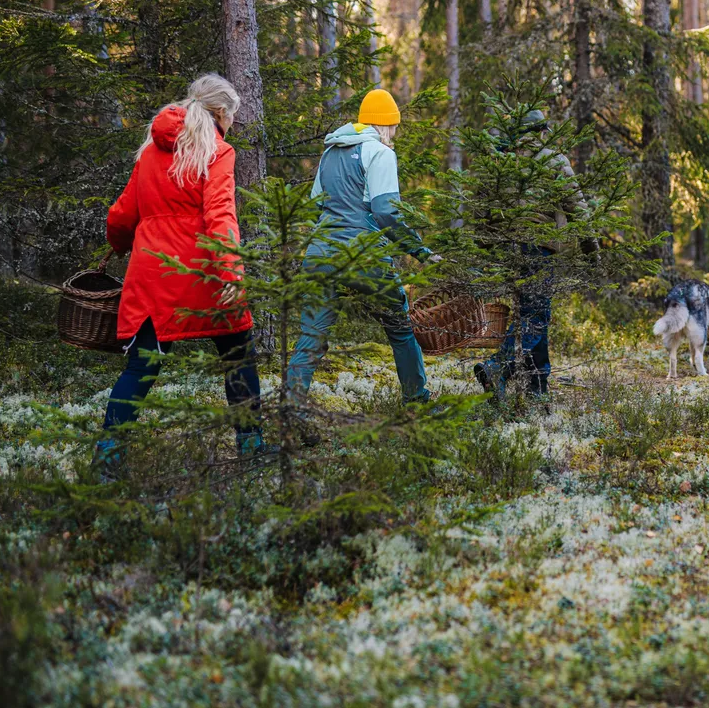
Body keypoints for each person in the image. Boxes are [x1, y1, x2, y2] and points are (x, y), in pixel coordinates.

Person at [97, 73, 266, 479]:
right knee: (238, 355)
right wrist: (231, 274)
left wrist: (119, 243)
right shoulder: (217, 151)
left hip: (152, 277)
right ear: (222, 113)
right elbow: (220, 214)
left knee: (140, 369)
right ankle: (252, 449)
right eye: (232, 116)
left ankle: (107, 460)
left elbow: (122, 214)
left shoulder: (149, 152)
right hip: (203, 275)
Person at [286, 89, 438, 404]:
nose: (395, 133)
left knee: (310, 337)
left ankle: (291, 410)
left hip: (321, 250)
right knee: (399, 326)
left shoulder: (330, 152)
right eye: (394, 126)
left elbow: (317, 205)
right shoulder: (380, 153)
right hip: (363, 253)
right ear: (385, 125)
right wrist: (420, 252)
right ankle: (417, 402)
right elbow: (386, 213)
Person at [473, 109, 594, 402]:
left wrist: (482, 247)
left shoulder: (498, 161)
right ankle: (497, 367)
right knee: (535, 316)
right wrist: (592, 249)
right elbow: (577, 206)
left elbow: (480, 208)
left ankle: (537, 387)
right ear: (540, 131)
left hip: (506, 247)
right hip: (539, 248)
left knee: (532, 313)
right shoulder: (554, 160)